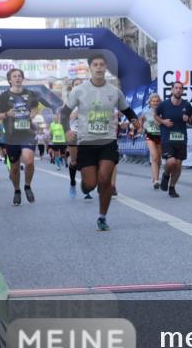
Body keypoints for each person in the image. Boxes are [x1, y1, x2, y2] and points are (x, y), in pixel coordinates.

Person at [59, 54, 140, 231]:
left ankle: (102, 217)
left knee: (105, 181)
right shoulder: (79, 91)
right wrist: (67, 130)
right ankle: (84, 185)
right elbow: (64, 113)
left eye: (102, 64)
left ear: (105, 68)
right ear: (90, 68)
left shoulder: (114, 91)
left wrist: (135, 121)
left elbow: (127, 110)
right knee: (91, 184)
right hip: (87, 141)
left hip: (108, 141)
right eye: (95, 64)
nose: (99, 67)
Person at [0, 68, 41, 206]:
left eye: (19, 76)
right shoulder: (3, 96)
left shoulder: (30, 94)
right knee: (14, 168)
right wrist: (7, 114)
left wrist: (33, 113)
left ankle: (27, 186)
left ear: (22, 78)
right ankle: (17, 190)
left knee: (29, 161)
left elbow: (34, 108)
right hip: (11, 136)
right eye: (14, 76)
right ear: (10, 80)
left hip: (27, 133)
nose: (17, 78)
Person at [155, 81, 192, 198]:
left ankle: (172, 187)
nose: (178, 90)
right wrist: (163, 121)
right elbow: (155, 115)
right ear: (172, 90)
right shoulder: (164, 105)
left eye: (180, 88)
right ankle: (166, 174)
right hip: (167, 137)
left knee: (178, 165)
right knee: (171, 162)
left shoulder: (186, 105)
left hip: (181, 138)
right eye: (176, 88)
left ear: (182, 91)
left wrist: (188, 119)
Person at [140, 93, 164, 188]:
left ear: (160, 102)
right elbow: (141, 119)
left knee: (159, 159)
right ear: (150, 102)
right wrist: (141, 127)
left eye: (157, 101)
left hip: (161, 136)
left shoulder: (162, 110)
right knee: (154, 157)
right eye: (153, 101)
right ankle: (157, 180)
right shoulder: (145, 111)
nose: (155, 103)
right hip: (150, 135)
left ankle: (155, 176)